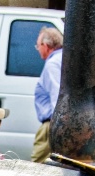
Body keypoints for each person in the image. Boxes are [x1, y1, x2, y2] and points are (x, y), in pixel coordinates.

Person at [30, 26, 63, 163]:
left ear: (46, 45)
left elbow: (57, 95)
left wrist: (58, 126)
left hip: (52, 125)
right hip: (59, 123)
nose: (38, 50)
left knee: (36, 166)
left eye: (38, 46)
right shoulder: (64, 57)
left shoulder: (53, 63)